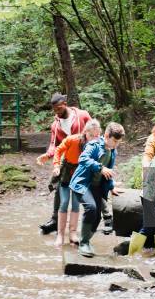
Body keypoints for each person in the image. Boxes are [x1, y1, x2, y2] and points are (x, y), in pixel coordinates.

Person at [36, 93, 91, 235]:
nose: (57, 112)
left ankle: (99, 218)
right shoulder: (55, 125)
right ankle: (55, 221)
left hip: (86, 160)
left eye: (59, 108)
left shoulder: (82, 116)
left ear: (65, 104)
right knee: (60, 187)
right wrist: (47, 155)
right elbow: (54, 144)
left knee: (90, 188)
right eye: (55, 110)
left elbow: (95, 132)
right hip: (68, 161)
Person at [69, 122, 125, 257]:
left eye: (119, 142)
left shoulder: (112, 151)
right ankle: (83, 243)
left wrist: (111, 187)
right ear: (106, 135)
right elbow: (83, 158)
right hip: (82, 184)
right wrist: (100, 168)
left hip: (97, 187)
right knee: (91, 208)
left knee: (97, 217)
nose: (116, 144)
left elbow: (108, 171)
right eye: (115, 141)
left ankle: (86, 241)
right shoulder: (93, 145)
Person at [52, 119, 102, 247]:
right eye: (91, 135)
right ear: (85, 132)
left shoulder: (98, 145)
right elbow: (58, 150)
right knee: (64, 202)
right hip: (67, 172)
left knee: (75, 203)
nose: (93, 139)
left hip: (81, 176)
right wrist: (56, 166)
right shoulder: (72, 140)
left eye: (96, 136)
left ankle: (73, 233)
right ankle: (60, 234)